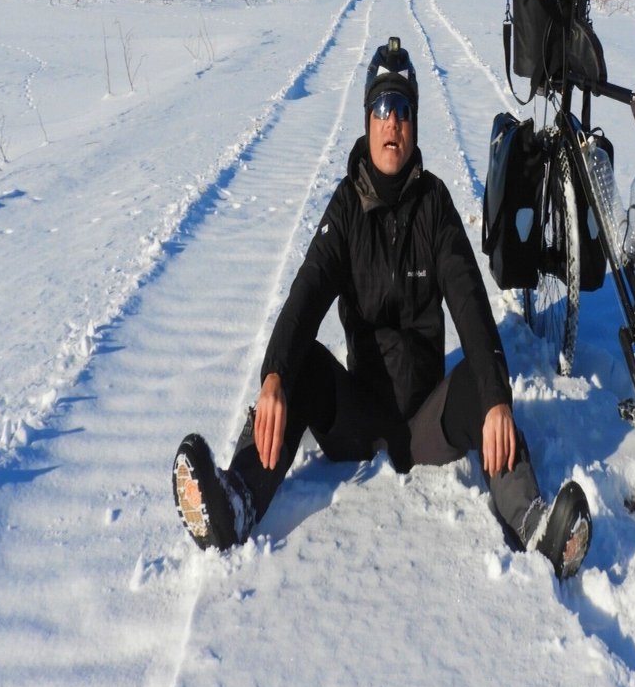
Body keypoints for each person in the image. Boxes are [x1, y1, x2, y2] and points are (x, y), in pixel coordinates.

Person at [172, 37, 592, 579]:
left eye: (404, 110)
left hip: (426, 422)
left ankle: (533, 524)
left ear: (414, 124)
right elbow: (307, 290)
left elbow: (469, 300)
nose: (393, 122)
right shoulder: (346, 207)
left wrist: (495, 400)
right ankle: (235, 503)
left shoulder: (435, 205)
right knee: (299, 368)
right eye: (383, 108)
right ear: (368, 120)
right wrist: (274, 375)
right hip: (357, 417)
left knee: (482, 387)